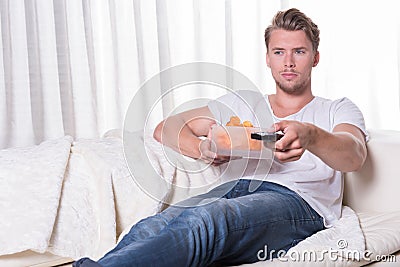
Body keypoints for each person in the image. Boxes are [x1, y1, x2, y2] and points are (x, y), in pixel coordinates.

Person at [74, 8, 368, 267]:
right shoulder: (244, 103)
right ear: (268, 58)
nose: (288, 62)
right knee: (153, 225)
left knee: (207, 220)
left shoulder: (336, 109)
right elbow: (167, 127)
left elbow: (354, 155)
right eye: (279, 52)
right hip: (235, 188)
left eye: (299, 52)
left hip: (298, 203)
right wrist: (204, 148)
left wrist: (310, 135)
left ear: (315, 58)